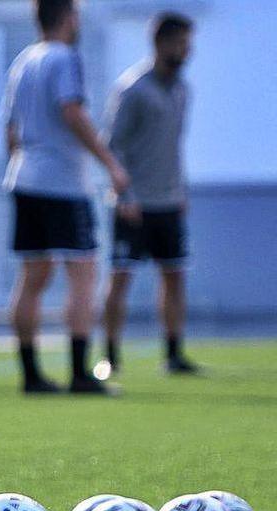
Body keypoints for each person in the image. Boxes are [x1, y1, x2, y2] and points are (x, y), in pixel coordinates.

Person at [1, 0, 131, 394]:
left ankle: (30, 375)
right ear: (68, 17)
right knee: (83, 273)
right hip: (62, 183)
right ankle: (78, 372)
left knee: (32, 276)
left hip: (25, 178)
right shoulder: (65, 58)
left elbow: (10, 128)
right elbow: (72, 111)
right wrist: (109, 163)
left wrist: (24, 167)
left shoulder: (24, 60)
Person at [101, 12, 198, 375]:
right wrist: (124, 196)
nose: (187, 50)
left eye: (189, 44)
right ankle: (110, 357)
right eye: (181, 43)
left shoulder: (182, 90)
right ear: (161, 43)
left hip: (169, 201)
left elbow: (174, 147)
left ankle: (173, 354)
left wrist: (181, 189)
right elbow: (113, 146)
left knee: (174, 276)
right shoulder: (133, 89)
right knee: (120, 278)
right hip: (133, 204)